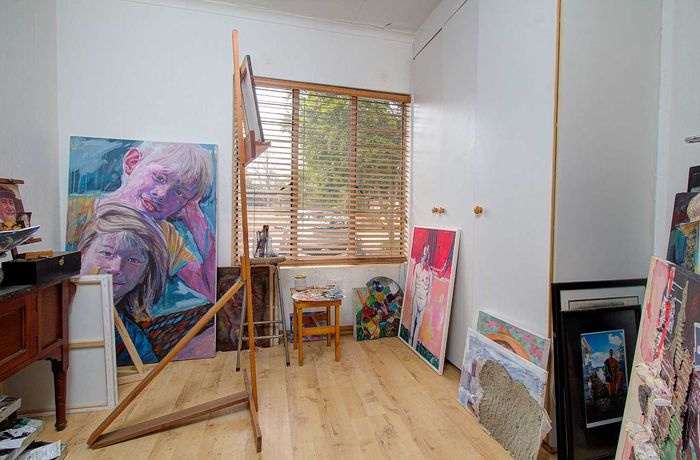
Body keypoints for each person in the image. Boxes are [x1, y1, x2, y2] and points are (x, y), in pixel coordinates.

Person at [67, 141, 215, 302]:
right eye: (159, 177)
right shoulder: (75, 211)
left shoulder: (167, 236)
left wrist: (195, 218)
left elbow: (211, 290)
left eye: (179, 193)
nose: (162, 194)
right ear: (132, 162)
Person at [78, 202, 169, 364]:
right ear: (82, 253)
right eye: (106, 253)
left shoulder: (135, 344)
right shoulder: (54, 310)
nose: (116, 268)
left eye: (133, 260)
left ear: (144, 275)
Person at [409, 243, 433, 348]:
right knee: (413, 320)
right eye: (425, 250)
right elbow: (413, 284)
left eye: (428, 251)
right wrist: (412, 298)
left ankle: (414, 346)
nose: (426, 253)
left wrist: (427, 303)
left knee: (419, 324)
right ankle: (409, 342)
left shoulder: (430, 272)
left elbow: (430, 289)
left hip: (424, 300)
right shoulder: (417, 267)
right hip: (416, 297)